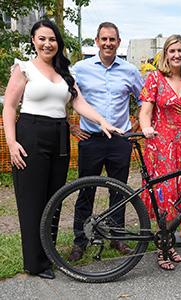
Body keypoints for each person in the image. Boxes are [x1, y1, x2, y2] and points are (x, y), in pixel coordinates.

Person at [2, 20, 122, 280]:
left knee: (54, 199)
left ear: (58, 43)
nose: (47, 43)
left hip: (59, 135)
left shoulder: (65, 71)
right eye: (42, 38)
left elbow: (79, 102)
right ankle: (35, 264)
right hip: (31, 134)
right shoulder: (24, 68)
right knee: (32, 200)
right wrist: (12, 143)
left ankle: (49, 255)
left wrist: (102, 121)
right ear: (33, 40)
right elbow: (10, 108)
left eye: (52, 39)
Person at [68, 22, 143, 261]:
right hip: (91, 139)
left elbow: (144, 101)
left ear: (119, 42)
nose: (108, 43)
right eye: (104, 39)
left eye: (112, 39)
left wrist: (138, 126)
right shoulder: (80, 68)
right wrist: (71, 126)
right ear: (97, 41)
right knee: (85, 191)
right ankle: (80, 241)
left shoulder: (130, 70)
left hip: (120, 140)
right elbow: (65, 97)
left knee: (119, 192)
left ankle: (117, 238)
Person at [139, 34, 181, 270]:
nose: (177, 55)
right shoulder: (155, 79)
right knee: (164, 195)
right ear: (166, 54)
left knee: (179, 195)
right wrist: (146, 128)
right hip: (160, 145)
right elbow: (145, 111)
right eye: (172, 51)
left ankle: (169, 243)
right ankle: (162, 247)